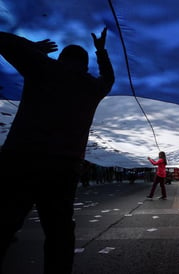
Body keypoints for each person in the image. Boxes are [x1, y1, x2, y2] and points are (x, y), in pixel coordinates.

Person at [0, 28, 115, 274]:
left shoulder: (42, 67)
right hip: (63, 166)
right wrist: (101, 51)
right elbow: (108, 79)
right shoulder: (90, 87)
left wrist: (32, 48)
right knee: (59, 232)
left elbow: (4, 40)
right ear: (85, 67)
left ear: (60, 58)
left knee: (4, 224)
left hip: (21, 159)